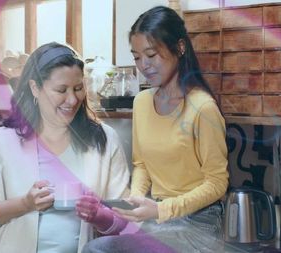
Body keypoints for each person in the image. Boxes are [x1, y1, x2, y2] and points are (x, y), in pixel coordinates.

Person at [0, 42, 130, 253]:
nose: (72, 99)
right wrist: (24, 204)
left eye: (78, 88)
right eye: (61, 90)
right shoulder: (4, 142)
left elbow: (126, 219)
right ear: (34, 88)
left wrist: (98, 215)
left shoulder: (104, 140)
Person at [83, 6, 229, 253]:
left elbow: (217, 183)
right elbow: (141, 165)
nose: (144, 65)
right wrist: (136, 199)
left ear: (180, 48)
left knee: (99, 250)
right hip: (158, 216)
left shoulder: (203, 108)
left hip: (199, 223)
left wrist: (161, 210)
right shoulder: (141, 103)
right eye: (137, 57)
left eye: (151, 54)